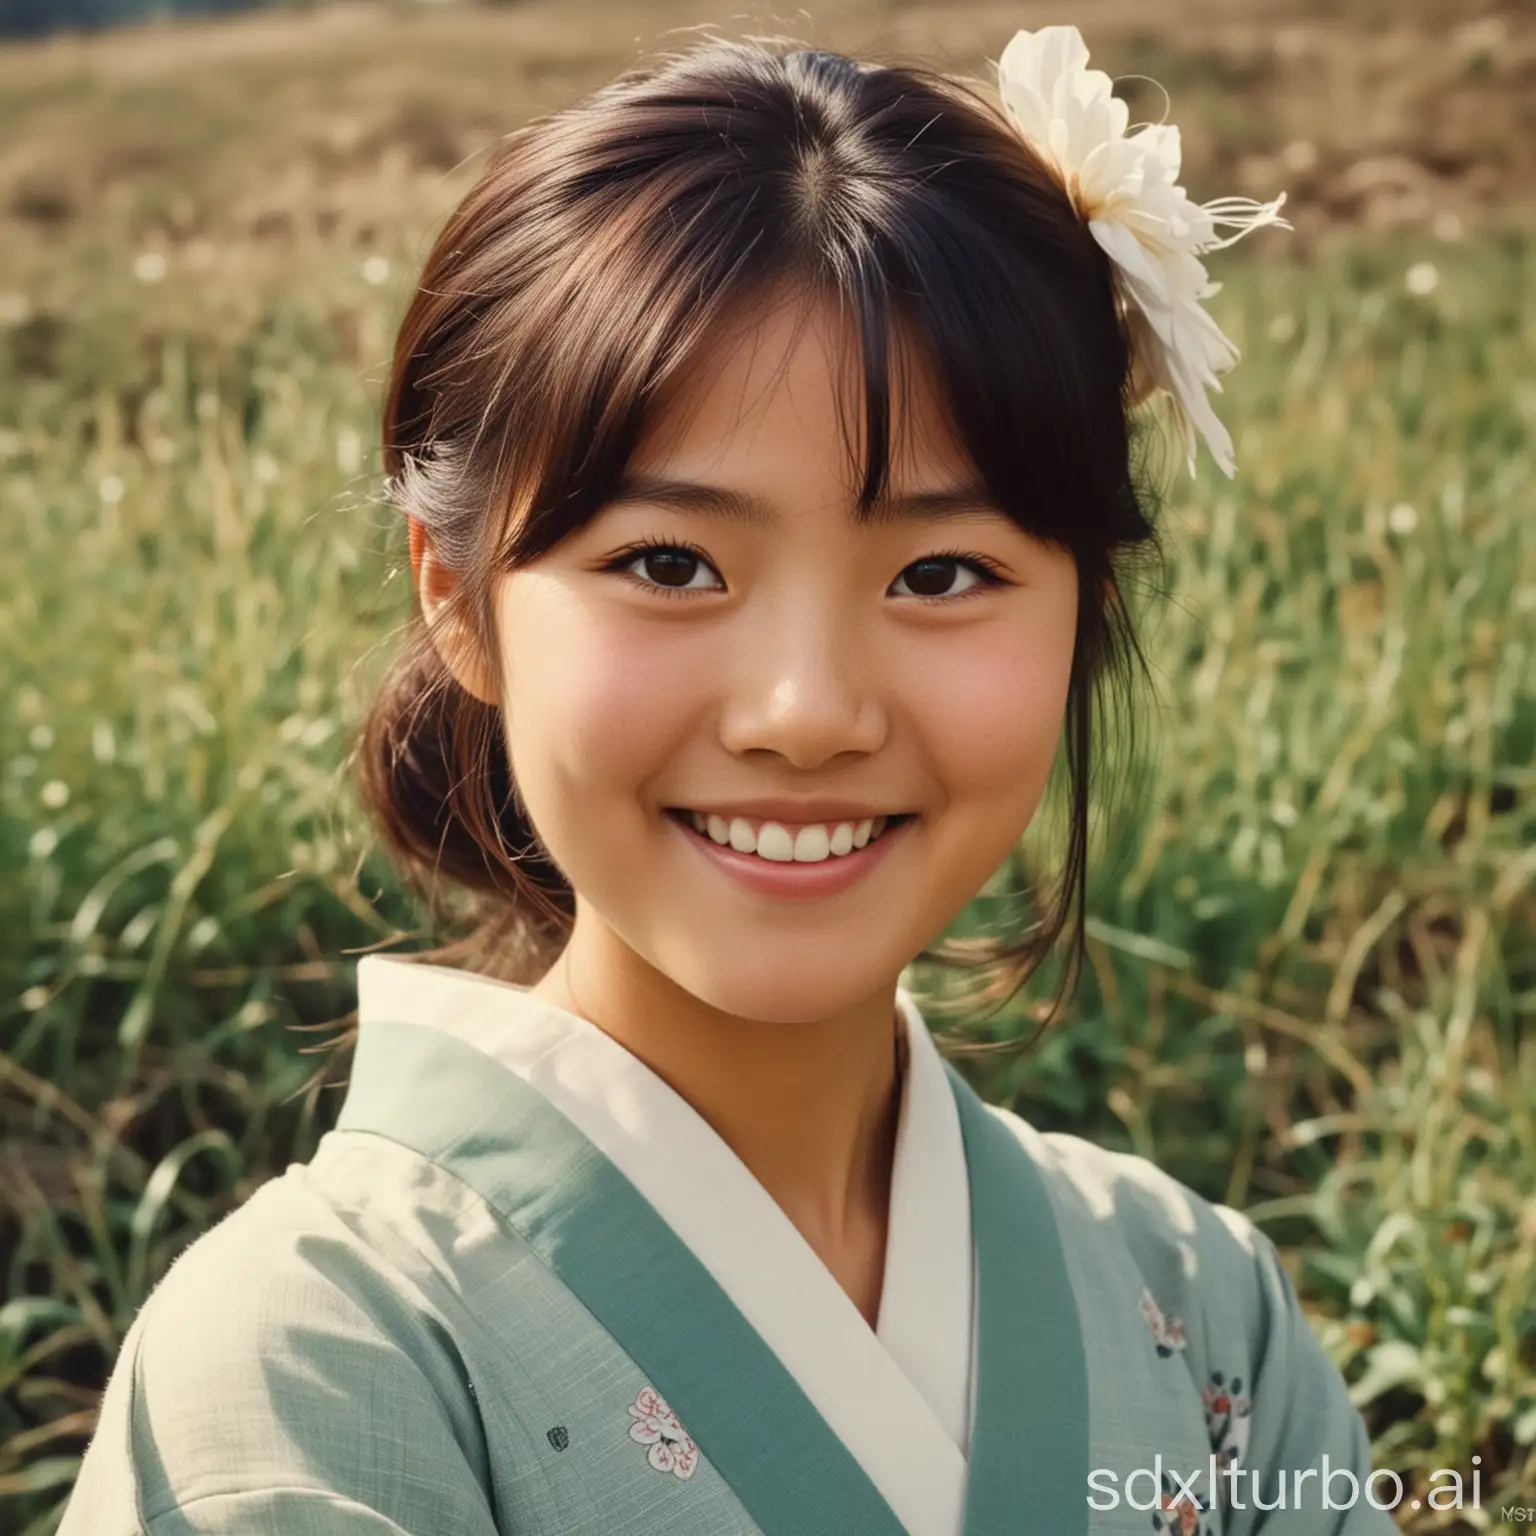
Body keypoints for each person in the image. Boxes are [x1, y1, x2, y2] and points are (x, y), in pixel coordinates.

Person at [58, 23, 1398, 1536]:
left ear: (1086, 607)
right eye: (671, 563)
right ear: (458, 598)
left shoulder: (1206, 1313)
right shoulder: (311, 1368)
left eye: (944, 572)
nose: (805, 713)